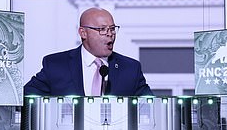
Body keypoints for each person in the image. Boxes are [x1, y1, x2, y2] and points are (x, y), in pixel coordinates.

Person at [24, 7, 153, 96]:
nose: (110, 34)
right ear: (83, 33)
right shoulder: (56, 64)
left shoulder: (130, 68)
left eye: (112, 29)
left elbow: (150, 106)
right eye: (102, 29)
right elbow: (26, 97)